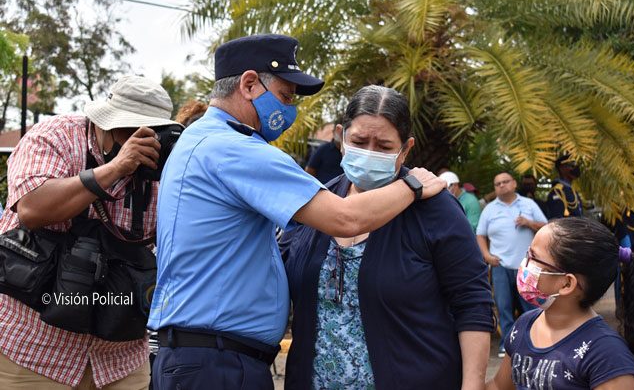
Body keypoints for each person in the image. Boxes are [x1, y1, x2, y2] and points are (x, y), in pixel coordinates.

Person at [147, 35, 446, 390]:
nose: (290, 110)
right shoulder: (236, 149)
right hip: (218, 364)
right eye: (286, 97)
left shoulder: (197, 139)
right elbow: (345, 218)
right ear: (249, 84)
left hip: (198, 357)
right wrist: (412, 185)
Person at [281, 85, 494, 389]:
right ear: (341, 137)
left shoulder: (435, 209)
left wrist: (472, 385)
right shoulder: (319, 203)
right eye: (359, 141)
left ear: (405, 149)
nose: (369, 153)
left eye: (383, 146)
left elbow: (472, 301)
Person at [0, 75, 178, 389]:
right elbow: (31, 208)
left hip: (121, 357)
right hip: (32, 348)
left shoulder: (167, 163)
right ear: (105, 122)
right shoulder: (55, 136)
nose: (139, 140)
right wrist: (115, 168)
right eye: (130, 129)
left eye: (151, 131)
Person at [486, 217, 634, 389]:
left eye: (533, 257)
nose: (525, 263)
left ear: (567, 284)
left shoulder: (607, 356)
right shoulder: (524, 325)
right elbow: (498, 386)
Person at [476, 171, 548, 358]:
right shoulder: (489, 209)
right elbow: (480, 235)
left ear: (514, 183)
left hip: (527, 266)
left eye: (505, 181)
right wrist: (486, 255)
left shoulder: (528, 204)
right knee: (504, 307)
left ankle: (536, 342)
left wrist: (529, 223)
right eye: (497, 183)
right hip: (500, 266)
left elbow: (546, 227)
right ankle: (507, 345)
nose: (501, 185)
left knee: (532, 307)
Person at [546, 154, 583, 219]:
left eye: (575, 166)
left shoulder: (571, 190)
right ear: (562, 169)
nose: (575, 168)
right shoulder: (558, 191)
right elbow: (557, 219)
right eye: (572, 166)